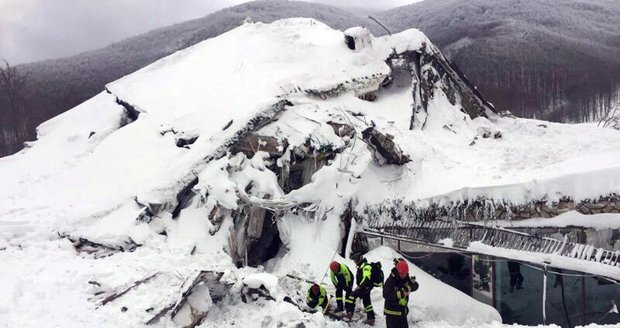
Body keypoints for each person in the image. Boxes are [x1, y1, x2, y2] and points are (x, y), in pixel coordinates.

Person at [346, 254, 381, 325]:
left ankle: (350, 313)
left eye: (355, 260)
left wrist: (360, 286)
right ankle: (371, 318)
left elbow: (366, 277)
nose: (354, 262)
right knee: (367, 302)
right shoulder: (362, 266)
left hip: (365, 287)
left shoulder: (366, 266)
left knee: (352, 296)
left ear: (359, 259)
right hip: (366, 287)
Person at [383, 260, 419, 328]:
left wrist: (408, 288)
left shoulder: (407, 278)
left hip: (402, 312)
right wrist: (400, 294)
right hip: (391, 313)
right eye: (401, 274)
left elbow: (416, 285)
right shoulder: (391, 280)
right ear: (397, 271)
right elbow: (386, 294)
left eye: (405, 273)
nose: (403, 276)